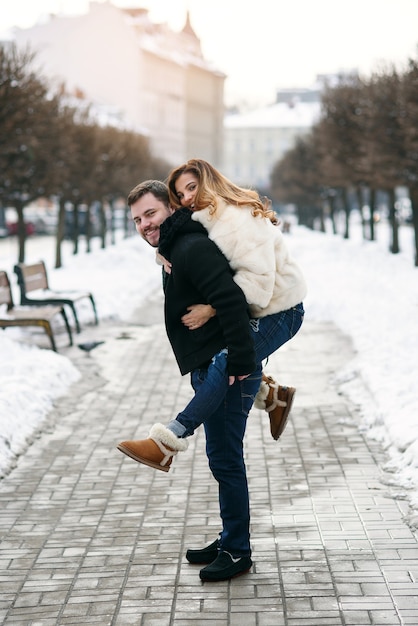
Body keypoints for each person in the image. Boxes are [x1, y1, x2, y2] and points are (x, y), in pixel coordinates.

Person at [118, 180, 262, 582]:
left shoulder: (189, 247)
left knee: (227, 461)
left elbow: (231, 300)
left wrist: (239, 360)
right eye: (137, 220)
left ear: (170, 208)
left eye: (150, 214)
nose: (145, 225)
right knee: (222, 460)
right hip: (212, 365)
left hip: (227, 367)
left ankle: (237, 551)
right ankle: (231, 537)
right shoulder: (175, 248)